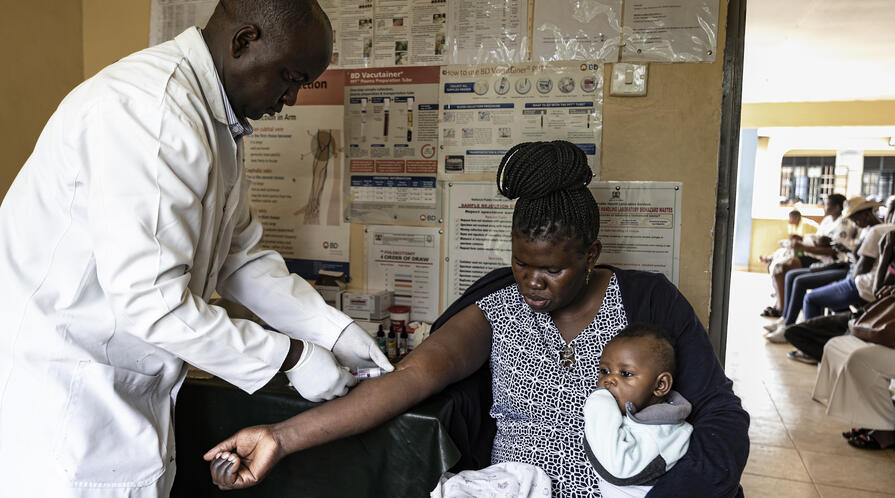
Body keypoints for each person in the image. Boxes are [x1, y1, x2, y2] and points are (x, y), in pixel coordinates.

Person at [203, 141, 749, 497]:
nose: (532, 283)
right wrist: (281, 434)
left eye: (554, 270)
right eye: (521, 264)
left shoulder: (647, 305)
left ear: (591, 254)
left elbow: (719, 413)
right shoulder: (496, 309)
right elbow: (407, 382)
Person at [0, 1, 391, 496]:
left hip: (123, 395)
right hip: (67, 402)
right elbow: (152, 303)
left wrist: (333, 332)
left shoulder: (211, 118)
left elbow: (240, 257)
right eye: (289, 78)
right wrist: (290, 358)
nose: (290, 98)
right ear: (244, 41)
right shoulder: (151, 113)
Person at [582, 324, 693, 498]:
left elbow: (618, 468)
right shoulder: (641, 417)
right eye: (604, 371)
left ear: (660, 385)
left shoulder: (662, 432)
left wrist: (599, 402)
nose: (609, 379)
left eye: (625, 373)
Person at [765, 196, 882, 343]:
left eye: (855, 217)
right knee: (792, 275)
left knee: (802, 284)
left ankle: (795, 330)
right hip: (843, 266)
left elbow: (859, 265)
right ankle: (786, 320)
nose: (854, 222)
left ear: (866, 214)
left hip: (844, 267)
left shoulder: (872, 231)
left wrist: (807, 247)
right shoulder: (866, 230)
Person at [761, 194, 857, 319]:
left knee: (785, 269)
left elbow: (833, 251)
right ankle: (782, 311)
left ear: (837, 207)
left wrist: (803, 247)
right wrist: (802, 239)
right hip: (817, 257)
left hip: (833, 262)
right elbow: (818, 240)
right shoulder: (827, 220)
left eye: (827, 204)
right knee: (782, 269)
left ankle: (784, 313)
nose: (824, 206)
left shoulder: (844, 223)